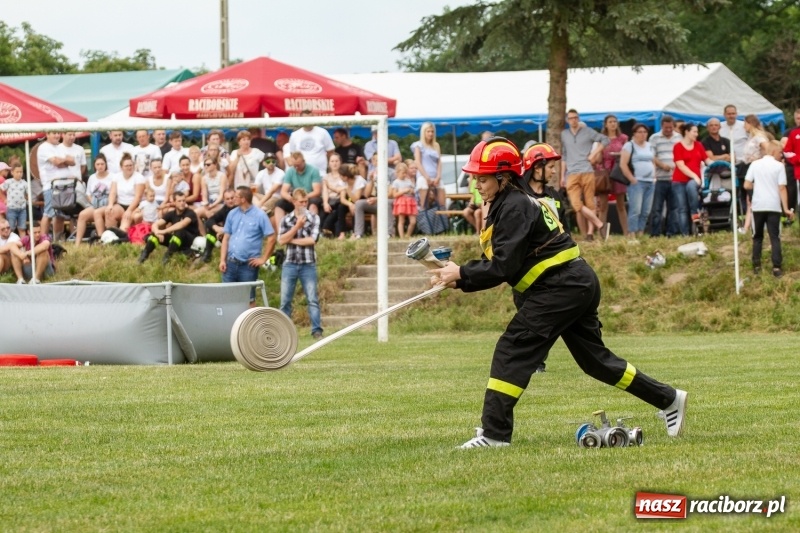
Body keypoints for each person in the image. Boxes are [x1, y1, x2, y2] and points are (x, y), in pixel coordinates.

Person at [429, 137, 687, 448]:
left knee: (512, 350)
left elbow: (504, 267)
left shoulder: (514, 205)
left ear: (503, 176)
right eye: (475, 177)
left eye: (481, 177)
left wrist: (463, 273)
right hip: (573, 284)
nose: (476, 184)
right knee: (596, 363)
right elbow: (504, 261)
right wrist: (461, 278)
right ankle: (669, 399)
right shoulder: (510, 203)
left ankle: (494, 435)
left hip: (561, 287)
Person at [219, 186, 276, 305]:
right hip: (230, 263)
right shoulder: (232, 213)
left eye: (235, 196)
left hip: (248, 265)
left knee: (249, 300)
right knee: (227, 298)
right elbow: (226, 238)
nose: (233, 199)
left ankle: (249, 324)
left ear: (243, 199)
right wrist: (222, 260)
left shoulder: (260, 215)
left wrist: (263, 259)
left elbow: (271, 238)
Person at [278, 187, 323, 339]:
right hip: (290, 263)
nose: (304, 204)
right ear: (294, 202)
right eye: (301, 202)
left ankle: (317, 330)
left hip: (308, 263)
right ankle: (284, 331)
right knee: (285, 300)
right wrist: (296, 227)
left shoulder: (314, 218)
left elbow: (312, 240)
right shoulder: (286, 220)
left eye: (306, 201)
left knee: (312, 299)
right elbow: (281, 240)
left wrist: (291, 239)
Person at [744, 141, 794, 277]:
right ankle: (777, 267)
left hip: (758, 205)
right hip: (773, 206)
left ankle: (756, 266)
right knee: (774, 237)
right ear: (773, 151)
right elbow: (782, 188)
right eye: (780, 152)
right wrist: (786, 209)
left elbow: (747, 185)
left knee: (757, 236)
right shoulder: (779, 166)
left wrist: (758, 186)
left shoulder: (755, 164)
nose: (781, 155)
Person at [560, 109, 607, 240]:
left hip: (587, 170)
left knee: (590, 202)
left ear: (578, 118)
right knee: (576, 204)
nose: (573, 120)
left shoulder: (587, 132)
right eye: (570, 118)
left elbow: (605, 140)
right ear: (567, 120)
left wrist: (594, 153)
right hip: (571, 173)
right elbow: (564, 155)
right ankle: (600, 224)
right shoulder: (564, 134)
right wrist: (562, 176)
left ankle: (590, 234)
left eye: (575, 117)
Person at [672, 123, 714, 236]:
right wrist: (694, 176)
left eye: (697, 132)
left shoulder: (699, 145)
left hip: (694, 181)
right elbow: (680, 165)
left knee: (691, 186)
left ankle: (694, 212)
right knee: (682, 208)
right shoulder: (678, 146)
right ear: (686, 132)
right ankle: (685, 234)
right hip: (679, 180)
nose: (697, 134)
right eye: (694, 131)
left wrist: (718, 165)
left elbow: (706, 160)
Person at [138, 191, 199, 265]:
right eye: (179, 201)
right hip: (177, 239)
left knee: (180, 231)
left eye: (183, 200)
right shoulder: (171, 214)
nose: (182, 203)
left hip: (189, 241)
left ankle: (167, 257)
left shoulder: (190, 213)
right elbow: (155, 224)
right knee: (153, 236)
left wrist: (164, 231)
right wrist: (157, 232)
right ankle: (144, 256)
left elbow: (182, 224)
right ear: (174, 202)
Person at [593, 115, 629, 238]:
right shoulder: (601, 139)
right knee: (603, 206)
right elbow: (596, 159)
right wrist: (598, 150)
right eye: (610, 122)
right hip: (604, 172)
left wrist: (619, 154)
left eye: (615, 121)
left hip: (618, 171)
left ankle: (626, 233)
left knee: (621, 204)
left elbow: (628, 154)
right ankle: (602, 236)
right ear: (606, 124)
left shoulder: (623, 138)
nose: (613, 124)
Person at [619, 124, 657, 240]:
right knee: (636, 209)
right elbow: (623, 164)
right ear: (634, 133)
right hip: (637, 182)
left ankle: (641, 232)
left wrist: (654, 175)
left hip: (650, 182)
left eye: (645, 132)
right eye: (640, 132)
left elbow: (652, 161)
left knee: (646, 210)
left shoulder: (649, 146)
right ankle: (632, 233)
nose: (642, 134)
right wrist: (631, 179)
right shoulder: (629, 145)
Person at [95, 153, 146, 235]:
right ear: (121, 167)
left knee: (124, 225)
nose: (129, 167)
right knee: (109, 212)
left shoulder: (139, 177)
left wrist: (129, 210)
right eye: (126, 166)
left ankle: (122, 237)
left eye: (131, 165)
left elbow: (138, 197)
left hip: (134, 206)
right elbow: (113, 192)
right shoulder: (117, 177)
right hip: (120, 204)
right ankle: (109, 236)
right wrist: (110, 204)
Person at [649, 115, 682, 237]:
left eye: (670, 127)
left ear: (673, 126)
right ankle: (655, 233)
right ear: (662, 126)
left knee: (673, 208)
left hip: (675, 178)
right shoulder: (654, 138)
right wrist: (662, 165)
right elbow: (651, 155)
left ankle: (671, 232)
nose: (668, 130)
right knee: (657, 208)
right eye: (666, 127)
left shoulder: (679, 137)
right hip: (660, 178)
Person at [522, 143, 567, 224]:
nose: (554, 171)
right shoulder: (520, 197)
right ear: (537, 168)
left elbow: (564, 229)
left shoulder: (554, 195)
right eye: (551, 167)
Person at [73, 154, 112, 246]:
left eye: (102, 164)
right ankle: (77, 243)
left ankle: (101, 239)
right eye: (98, 164)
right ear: (94, 165)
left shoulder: (112, 176)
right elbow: (88, 194)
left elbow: (114, 193)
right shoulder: (92, 177)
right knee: (82, 215)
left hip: (108, 204)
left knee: (97, 213)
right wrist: (93, 202)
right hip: (95, 203)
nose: (100, 166)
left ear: (106, 164)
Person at [275, 152, 323, 222]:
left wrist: (303, 198)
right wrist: (290, 198)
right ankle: (281, 229)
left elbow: (317, 191)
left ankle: (312, 226)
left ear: (304, 161)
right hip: (296, 198)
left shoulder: (313, 170)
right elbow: (283, 191)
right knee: (279, 204)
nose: (296, 167)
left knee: (313, 203)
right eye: (294, 165)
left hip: (309, 196)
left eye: (298, 165)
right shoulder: (290, 171)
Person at [195, 188, 236, 265]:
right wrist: (216, 228)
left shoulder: (239, 209)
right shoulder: (225, 209)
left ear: (236, 197)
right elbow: (210, 220)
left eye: (232, 198)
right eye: (228, 199)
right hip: (226, 235)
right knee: (211, 229)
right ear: (224, 200)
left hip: (237, 238)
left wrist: (224, 231)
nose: (230, 200)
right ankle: (207, 254)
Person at [287, 110, 335, 176]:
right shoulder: (294, 135)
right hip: (301, 174)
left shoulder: (323, 132)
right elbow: (293, 155)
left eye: (310, 118)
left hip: (320, 173)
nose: (308, 121)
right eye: (305, 119)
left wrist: (330, 170)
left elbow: (331, 152)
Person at [412, 121, 444, 209]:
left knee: (442, 204)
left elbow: (439, 162)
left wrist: (438, 176)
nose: (430, 134)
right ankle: (424, 222)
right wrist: (427, 177)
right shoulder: (418, 145)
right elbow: (417, 162)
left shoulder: (436, 145)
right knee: (424, 205)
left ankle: (441, 222)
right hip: (424, 177)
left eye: (432, 131)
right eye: (428, 131)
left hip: (436, 177)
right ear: (424, 132)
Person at [254, 152, 285, 231]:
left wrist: (260, 204)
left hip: (277, 197)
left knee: (263, 206)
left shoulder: (280, 173)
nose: (271, 163)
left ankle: (260, 211)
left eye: (273, 161)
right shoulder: (261, 173)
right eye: (268, 161)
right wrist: (252, 189)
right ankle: (262, 210)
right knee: (252, 195)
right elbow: (255, 189)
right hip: (266, 197)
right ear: (264, 163)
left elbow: (272, 191)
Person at [320, 153, 347, 237]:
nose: (334, 163)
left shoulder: (345, 176)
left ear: (340, 162)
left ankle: (327, 229)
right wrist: (325, 203)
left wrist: (332, 187)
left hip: (340, 201)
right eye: (332, 161)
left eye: (336, 161)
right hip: (329, 200)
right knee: (323, 212)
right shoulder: (326, 177)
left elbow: (345, 188)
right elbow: (324, 191)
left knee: (337, 210)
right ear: (329, 163)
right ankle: (322, 232)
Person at [390, 162, 417, 238]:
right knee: (401, 220)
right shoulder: (396, 182)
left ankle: (408, 234)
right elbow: (394, 195)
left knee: (413, 221)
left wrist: (411, 191)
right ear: (397, 173)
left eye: (405, 173)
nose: (404, 175)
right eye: (402, 173)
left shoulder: (408, 181)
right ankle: (402, 236)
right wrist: (403, 191)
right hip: (401, 202)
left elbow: (413, 190)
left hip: (410, 201)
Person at [1, 163, 28, 237]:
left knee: (22, 228)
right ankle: (9, 244)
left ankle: (23, 245)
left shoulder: (25, 183)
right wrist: (4, 199)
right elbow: (1, 189)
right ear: (12, 172)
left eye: (21, 172)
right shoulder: (8, 182)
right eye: (17, 172)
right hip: (11, 209)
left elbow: (28, 194)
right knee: (10, 228)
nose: (19, 174)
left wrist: (26, 199)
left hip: (22, 209)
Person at [782, 107, 800, 214]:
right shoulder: (790, 132)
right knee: (792, 191)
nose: (799, 120)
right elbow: (785, 149)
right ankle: (791, 214)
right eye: (798, 118)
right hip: (792, 167)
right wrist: (797, 159)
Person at [0, 218, 27, 283]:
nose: (6, 230)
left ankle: (20, 279)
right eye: (3, 229)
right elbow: (9, 246)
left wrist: (9, 246)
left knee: (11, 251)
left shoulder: (14, 236)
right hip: (4, 262)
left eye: (8, 228)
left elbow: (11, 246)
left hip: (14, 263)